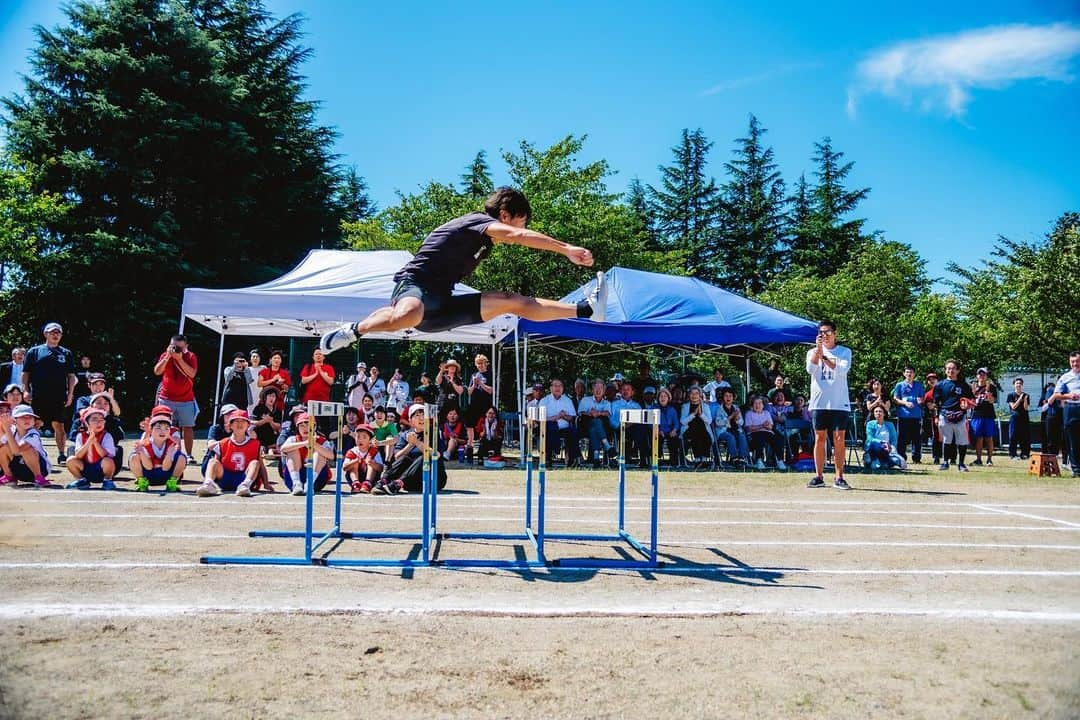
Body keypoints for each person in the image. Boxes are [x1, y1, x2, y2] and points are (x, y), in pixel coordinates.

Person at [319, 187, 607, 352]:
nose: (521, 228)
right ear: (505, 215)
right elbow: (517, 236)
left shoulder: (484, 241)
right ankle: (353, 331)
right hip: (415, 285)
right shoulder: (476, 221)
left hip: (442, 305)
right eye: (521, 221)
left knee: (512, 302)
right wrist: (567, 248)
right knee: (408, 313)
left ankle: (585, 310)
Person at [805, 319, 852, 490]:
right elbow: (811, 369)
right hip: (819, 401)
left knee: (839, 439)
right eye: (821, 333)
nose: (824, 335)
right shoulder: (812, 352)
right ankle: (818, 475)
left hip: (839, 402)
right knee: (820, 438)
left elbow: (840, 369)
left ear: (835, 333)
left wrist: (824, 355)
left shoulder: (844, 352)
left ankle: (839, 476)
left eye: (827, 332)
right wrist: (818, 352)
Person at [22, 322, 77, 464]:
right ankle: (31, 452)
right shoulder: (34, 352)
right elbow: (26, 373)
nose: (55, 334)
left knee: (59, 426)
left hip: (59, 396)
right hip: (38, 396)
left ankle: (61, 454)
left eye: (58, 332)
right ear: (45, 334)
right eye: (52, 332)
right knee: (34, 424)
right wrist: (26, 390)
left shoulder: (66, 353)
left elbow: (71, 376)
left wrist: (70, 394)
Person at [197, 410, 265, 497]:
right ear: (230, 425)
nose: (240, 424)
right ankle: (209, 484)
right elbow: (216, 463)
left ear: (248, 425)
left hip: (242, 477)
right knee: (212, 461)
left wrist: (266, 483)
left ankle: (246, 485)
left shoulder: (255, 444)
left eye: (243, 421)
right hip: (225, 477)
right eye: (236, 421)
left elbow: (261, 466)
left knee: (255, 463)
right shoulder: (222, 443)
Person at [153, 333, 198, 460]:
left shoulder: (191, 356)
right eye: (173, 346)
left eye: (180, 348)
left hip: (186, 399)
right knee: (164, 426)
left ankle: (188, 454)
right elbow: (157, 371)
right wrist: (168, 356)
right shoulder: (165, 355)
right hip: (166, 398)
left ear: (186, 347)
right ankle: (164, 452)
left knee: (188, 427)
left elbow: (192, 373)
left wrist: (179, 359)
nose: (176, 350)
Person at [933, 359, 976, 472]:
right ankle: (945, 462)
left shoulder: (964, 385)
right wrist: (937, 416)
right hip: (945, 415)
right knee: (947, 439)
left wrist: (967, 405)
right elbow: (936, 403)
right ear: (945, 370)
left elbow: (972, 400)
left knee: (962, 440)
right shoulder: (940, 385)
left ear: (958, 370)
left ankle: (961, 463)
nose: (950, 370)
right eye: (948, 368)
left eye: (953, 368)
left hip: (960, 416)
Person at [130, 411, 186, 492]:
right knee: (134, 456)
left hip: (166, 475)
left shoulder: (172, 444)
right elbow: (148, 467)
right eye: (158, 428)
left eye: (166, 428)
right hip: (148, 475)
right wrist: (141, 451)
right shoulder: (145, 443)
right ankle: (142, 482)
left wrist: (169, 454)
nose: (162, 431)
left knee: (181, 457)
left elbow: (166, 468)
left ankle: (172, 482)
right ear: (151, 430)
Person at [279, 412, 333, 496]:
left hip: (317, 479)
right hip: (294, 477)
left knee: (320, 453)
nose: (305, 428)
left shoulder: (322, 441)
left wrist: (314, 444)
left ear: (314, 427)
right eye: (302, 426)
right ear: (297, 428)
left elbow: (331, 456)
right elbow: (283, 449)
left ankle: (309, 483)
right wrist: (305, 443)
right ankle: (296, 483)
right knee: (292, 450)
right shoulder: (293, 439)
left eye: (308, 425)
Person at [65, 406, 118, 490]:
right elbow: (78, 455)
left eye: (101, 420)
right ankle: (81, 480)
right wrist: (89, 441)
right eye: (94, 419)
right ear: (86, 423)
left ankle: (107, 480)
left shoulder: (107, 436)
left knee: (108, 461)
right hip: (85, 467)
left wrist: (95, 442)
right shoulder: (80, 436)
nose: (99, 422)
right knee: (71, 460)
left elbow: (104, 455)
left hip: (100, 468)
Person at [0, 404, 51, 487]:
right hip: (20, 470)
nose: (27, 419)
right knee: (3, 448)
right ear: (14, 420)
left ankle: (39, 477)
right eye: (23, 417)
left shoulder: (33, 433)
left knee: (27, 450)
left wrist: (7, 429)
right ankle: (9, 476)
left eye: (30, 417)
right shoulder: (13, 431)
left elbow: (17, 451)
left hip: (41, 469)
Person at [1049, 351, 1080, 478]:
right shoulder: (1065, 377)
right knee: (1072, 440)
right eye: (1072, 361)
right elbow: (1056, 394)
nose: (1075, 364)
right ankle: (1076, 470)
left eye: (1077, 361)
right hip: (1071, 408)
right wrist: (1068, 395)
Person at [539, 379, 581, 467]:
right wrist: (557, 417)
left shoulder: (567, 400)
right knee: (550, 426)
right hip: (549, 427)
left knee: (573, 431)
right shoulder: (544, 401)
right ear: (551, 388)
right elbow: (541, 418)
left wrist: (564, 416)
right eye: (555, 386)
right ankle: (548, 457)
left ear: (563, 388)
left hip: (564, 427)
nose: (558, 388)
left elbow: (572, 417)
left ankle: (572, 459)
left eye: (560, 386)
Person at [610, 381, 650, 468]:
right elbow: (611, 420)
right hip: (619, 429)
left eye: (628, 389)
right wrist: (621, 425)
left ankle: (644, 459)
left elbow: (641, 419)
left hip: (635, 429)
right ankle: (635, 455)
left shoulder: (637, 406)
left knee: (641, 428)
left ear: (632, 392)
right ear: (620, 392)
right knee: (638, 430)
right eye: (623, 390)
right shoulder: (614, 404)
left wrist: (631, 423)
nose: (626, 391)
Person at [891, 366, 925, 464]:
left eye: (911, 372)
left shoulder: (918, 385)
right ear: (904, 374)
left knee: (917, 438)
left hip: (916, 415)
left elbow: (922, 398)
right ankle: (902, 457)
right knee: (902, 438)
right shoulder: (899, 385)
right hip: (903, 415)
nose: (909, 374)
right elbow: (896, 399)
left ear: (914, 374)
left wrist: (919, 401)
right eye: (907, 372)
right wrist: (905, 403)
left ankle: (916, 458)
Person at [577, 379, 613, 467]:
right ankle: (606, 445)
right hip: (585, 427)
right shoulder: (585, 400)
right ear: (592, 390)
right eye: (596, 388)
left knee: (595, 427)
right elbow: (580, 412)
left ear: (604, 390)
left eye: (600, 388)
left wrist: (598, 413)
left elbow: (608, 413)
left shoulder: (607, 402)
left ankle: (596, 458)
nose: (598, 390)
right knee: (595, 422)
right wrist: (590, 413)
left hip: (602, 429)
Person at [745, 396, 787, 471]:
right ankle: (759, 460)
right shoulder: (749, 413)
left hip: (767, 432)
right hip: (754, 434)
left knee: (778, 438)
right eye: (755, 403)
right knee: (760, 437)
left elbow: (770, 426)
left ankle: (780, 461)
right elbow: (749, 428)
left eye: (760, 403)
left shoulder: (766, 413)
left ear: (763, 405)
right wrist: (762, 425)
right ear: (752, 405)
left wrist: (765, 426)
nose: (757, 405)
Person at [969, 368, 998, 466]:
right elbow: (970, 402)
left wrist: (988, 392)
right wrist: (973, 394)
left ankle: (989, 459)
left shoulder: (991, 387)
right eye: (979, 374)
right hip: (976, 415)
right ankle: (978, 459)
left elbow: (992, 401)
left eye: (983, 374)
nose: (981, 376)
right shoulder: (972, 387)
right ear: (977, 376)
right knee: (978, 438)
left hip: (988, 415)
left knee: (989, 437)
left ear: (986, 376)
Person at [680, 387, 714, 467]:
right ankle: (698, 459)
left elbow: (709, 421)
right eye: (692, 393)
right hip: (689, 430)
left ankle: (704, 459)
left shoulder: (705, 406)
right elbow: (683, 421)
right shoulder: (685, 406)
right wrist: (693, 414)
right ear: (689, 395)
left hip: (704, 430)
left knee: (703, 434)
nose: (694, 395)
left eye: (696, 393)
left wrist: (701, 414)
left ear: (700, 395)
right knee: (696, 434)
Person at [343, 424, 383, 493]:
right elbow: (344, 468)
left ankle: (367, 484)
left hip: (371, 478)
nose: (360, 440)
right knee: (353, 464)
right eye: (358, 437)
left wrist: (372, 463)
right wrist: (354, 462)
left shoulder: (374, 451)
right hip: (355, 477)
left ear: (370, 440)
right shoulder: (352, 451)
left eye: (364, 437)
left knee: (371, 463)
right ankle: (356, 484)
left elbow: (381, 468)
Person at [465, 354, 494, 445]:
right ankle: (470, 444)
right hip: (474, 404)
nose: (480, 365)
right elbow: (469, 392)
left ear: (486, 363)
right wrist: (474, 384)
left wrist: (480, 383)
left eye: (481, 363)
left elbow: (491, 391)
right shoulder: (474, 374)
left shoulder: (490, 374)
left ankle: (486, 445)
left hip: (486, 405)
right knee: (469, 422)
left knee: (485, 425)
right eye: (478, 363)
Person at [716, 388, 750, 464]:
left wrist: (737, 419)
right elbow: (718, 422)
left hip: (735, 429)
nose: (728, 398)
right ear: (723, 397)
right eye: (726, 396)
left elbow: (741, 423)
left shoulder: (736, 408)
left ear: (733, 397)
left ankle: (742, 457)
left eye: (730, 396)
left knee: (741, 435)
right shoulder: (719, 409)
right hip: (723, 431)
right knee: (730, 436)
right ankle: (734, 457)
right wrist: (730, 417)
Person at [655, 388, 683, 468]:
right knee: (657, 438)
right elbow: (650, 422)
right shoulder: (654, 408)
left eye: (665, 396)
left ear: (668, 398)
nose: (663, 398)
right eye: (661, 396)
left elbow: (676, 423)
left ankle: (673, 461)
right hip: (658, 430)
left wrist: (674, 430)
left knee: (674, 439)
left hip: (670, 430)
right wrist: (659, 430)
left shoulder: (672, 409)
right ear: (658, 398)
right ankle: (658, 459)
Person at [251, 387, 284, 454]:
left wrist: (271, 421)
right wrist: (264, 421)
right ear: (265, 397)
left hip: (272, 434)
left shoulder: (278, 411)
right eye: (269, 396)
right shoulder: (258, 408)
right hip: (260, 433)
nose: (271, 398)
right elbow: (253, 422)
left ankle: (270, 448)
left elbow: (278, 426)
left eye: (273, 396)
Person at [1006, 377, 1032, 460]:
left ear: (1022, 385)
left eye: (1020, 384)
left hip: (1024, 418)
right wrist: (1020, 398)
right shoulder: (1010, 395)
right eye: (1017, 383)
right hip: (1014, 418)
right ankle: (1013, 454)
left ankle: (1025, 454)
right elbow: (1013, 407)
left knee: (1025, 437)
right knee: (1013, 436)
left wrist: (1024, 400)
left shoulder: (1026, 395)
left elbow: (1026, 408)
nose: (1018, 385)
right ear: (1014, 385)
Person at [1039, 381, 1064, 459]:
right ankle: (1051, 454)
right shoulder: (1051, 390)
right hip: (1051, 416)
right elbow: (1047, 403)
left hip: (1061, 416)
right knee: (1051, 437)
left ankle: (1055, 453)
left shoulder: (1065, 392)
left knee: (1058, 437)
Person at [923, 372, 942, 464]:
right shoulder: (928, 394)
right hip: (934, 417)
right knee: (936, 437)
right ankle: (936, 456)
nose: (932, 381)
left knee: (949, 437)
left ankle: (952, 457)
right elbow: (931, 407)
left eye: (934, 378)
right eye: (930, 379)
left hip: (946, 416)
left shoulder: (943, 391)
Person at [247, 349, 265, 414]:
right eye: (253, 356)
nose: (255, 358)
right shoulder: (247, 370)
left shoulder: (263, 368)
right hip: (249, 397)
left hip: (260, 397)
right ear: (250, 359)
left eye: (257, 356)